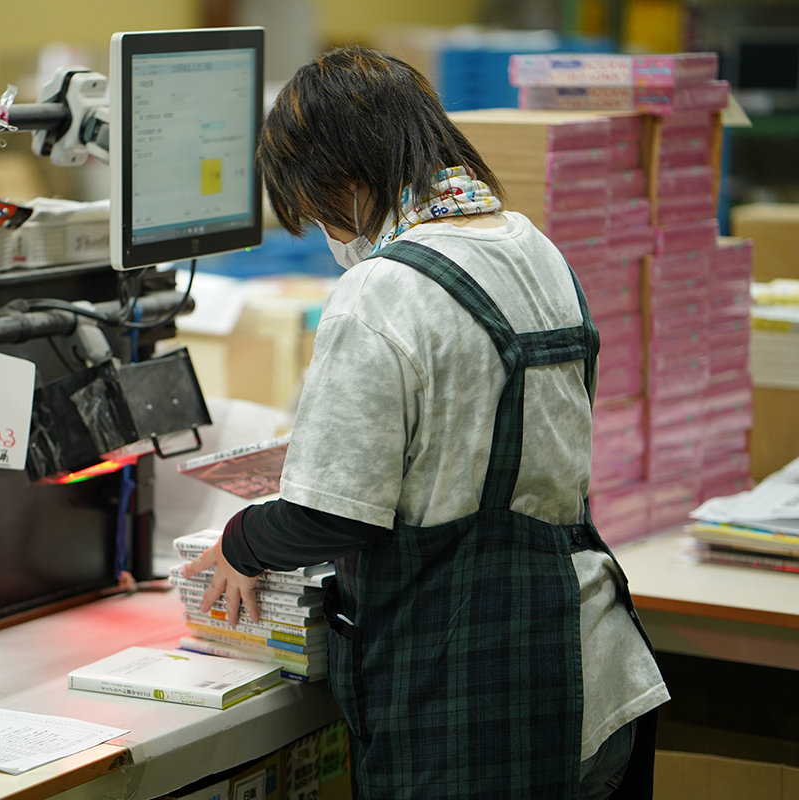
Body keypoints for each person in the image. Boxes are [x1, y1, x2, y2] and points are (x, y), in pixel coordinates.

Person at [181, 47, 669, 800]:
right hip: (599, 670)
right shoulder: (531, 245)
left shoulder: (383, 290)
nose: (327, 234)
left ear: (348, 183)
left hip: (480, 694)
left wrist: (241, 545)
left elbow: (325, 514)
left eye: (316, 213)